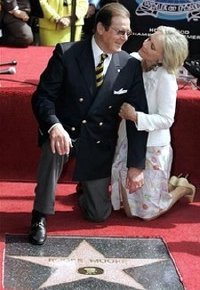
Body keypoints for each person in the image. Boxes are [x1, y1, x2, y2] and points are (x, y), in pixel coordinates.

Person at [29, 2, 148, 245]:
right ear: (100, 28)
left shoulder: (130, 65)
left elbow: (138, 116)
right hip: (66, 131)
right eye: (119, 31)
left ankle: (85, 189)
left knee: (97, 215)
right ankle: (39, 215)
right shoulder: (67, 53)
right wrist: (54, 125)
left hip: (98, 140)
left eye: (128, 32)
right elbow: (43, 96)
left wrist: (136, 165)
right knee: (54, 148)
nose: (125, 38)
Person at [111, 26, 196, 221]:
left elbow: (167, 119)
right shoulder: (135, 60)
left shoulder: (166, 78)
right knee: (128, 210)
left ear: (162, 58)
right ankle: (168, 185)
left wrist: (136, 116)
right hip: (127, 139)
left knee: (147, 213)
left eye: (152, 45)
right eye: (149, 39)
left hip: (153, 147)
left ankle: (181, 188)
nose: (145, 44)